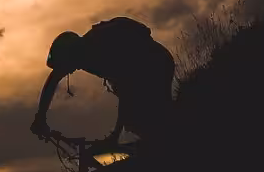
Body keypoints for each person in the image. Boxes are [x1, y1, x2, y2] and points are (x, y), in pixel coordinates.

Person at [30, 17, 175, 148]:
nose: (67, 71)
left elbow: (128, 90)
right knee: (139, 119)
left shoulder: (98, 50)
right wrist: (40, 116)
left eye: (65, 66)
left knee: (145, 117)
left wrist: (114, 137)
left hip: (157, 65)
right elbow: (53, 79)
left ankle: (167, 148)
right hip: (152, 65)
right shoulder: (81, 52)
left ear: (70, 55)